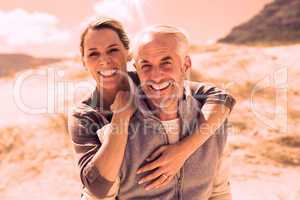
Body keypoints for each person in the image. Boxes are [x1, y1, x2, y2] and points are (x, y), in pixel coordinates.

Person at [68, 17, 235, 200]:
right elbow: (97, 191)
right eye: (93, 54)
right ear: (83, 61)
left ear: (128, 55)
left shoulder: (157, 83)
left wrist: (184, 150)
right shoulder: (90, 118)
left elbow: (221, 96)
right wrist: (121, 116)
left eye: (113, 50)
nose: (104, 60)